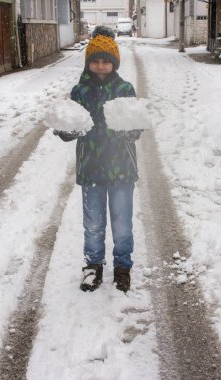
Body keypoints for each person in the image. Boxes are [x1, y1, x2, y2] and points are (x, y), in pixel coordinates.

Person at [53, 26, 142, 293]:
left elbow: (135, 127)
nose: (101, 66)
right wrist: (65, 130)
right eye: (95, 60)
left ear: (114, 63)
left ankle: (123, 267)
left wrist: (131, 130)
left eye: (106, 61)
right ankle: (93, 267)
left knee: (122, 222)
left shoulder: (125, 89)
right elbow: (72, 125)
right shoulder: (79, 92)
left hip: (122, 168)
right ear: (88, 62)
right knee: (92, 223)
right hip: (91, 167)